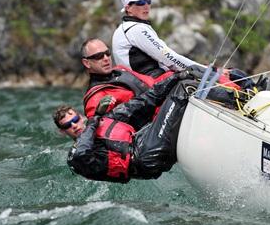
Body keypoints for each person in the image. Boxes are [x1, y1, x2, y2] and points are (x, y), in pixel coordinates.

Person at [112, 0, 263, 91]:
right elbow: (169, 57)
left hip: (149, 80)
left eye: (148, 1)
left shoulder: (127, 28)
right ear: (128, 8)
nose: (146, 6)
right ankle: (253, 92)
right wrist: (206, 71)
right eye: (140, 2)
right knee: (221, 74)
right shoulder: (135, 30)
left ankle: (253, 88)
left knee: (223, 72)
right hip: (151, 84)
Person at [54, 71, 194, 183]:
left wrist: (175, 77)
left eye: (75, 119)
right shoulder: (75, 156)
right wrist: (94, 119)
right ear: (62, 132)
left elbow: (146, 99)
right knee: (184, 88)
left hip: (149, 149)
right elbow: (82, 152)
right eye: (67, 125)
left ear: (81, 117)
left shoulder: (106, 119)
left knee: (180, 84)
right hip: (144, 158)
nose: (74, 125)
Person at [80, 38, 173, 118]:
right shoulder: (95, 97)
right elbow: (99, 126)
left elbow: (152, 83)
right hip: (154, 127)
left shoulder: (121, 69)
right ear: (87, 63)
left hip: (165, 106)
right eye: (98, 56)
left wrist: (174, 75)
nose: (106, 58)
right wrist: (99, 112)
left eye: (107, 53)